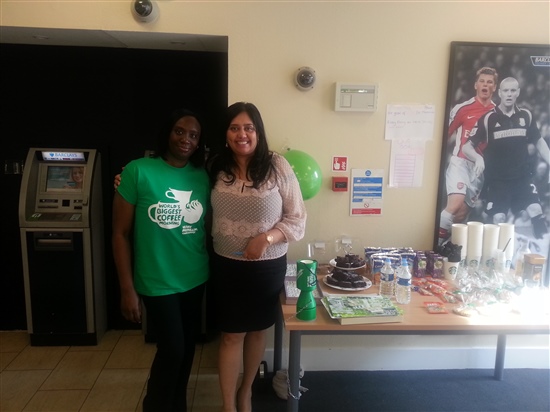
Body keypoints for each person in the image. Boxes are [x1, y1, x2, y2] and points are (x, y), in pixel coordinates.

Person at [207, 102, 306, 412]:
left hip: (266, 267)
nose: (242, 134)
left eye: (248, 127)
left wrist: (266, 238)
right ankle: (227, 404)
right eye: (234, 127)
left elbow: (297, 218)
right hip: (225, 264)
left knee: (256, 331)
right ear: (225, 134)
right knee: (230, 335)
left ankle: (246, 391)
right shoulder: (214, 166)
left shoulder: (278, 166)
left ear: (259, 133)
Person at [112, 108, 210, 412]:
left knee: (187, 348)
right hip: (156, 280)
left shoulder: (202, 176)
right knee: (173, 349)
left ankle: (177, 404)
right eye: (180, 131)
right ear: (168, 133)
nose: (186, 139)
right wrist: (127, 289)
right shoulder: (137, 171)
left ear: (198, 143)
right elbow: (119, 234)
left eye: (193, 135)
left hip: (195, 276)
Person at [463, 77, 550, 239]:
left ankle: (543, 250)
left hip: (522, 178)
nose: (509, 94)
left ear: (518, 93)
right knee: (499, 219)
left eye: (512, 90)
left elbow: (538, 141)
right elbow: (466, 146)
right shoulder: (488, 119)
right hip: (498, 181)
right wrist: (478, 158)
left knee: (536, 210)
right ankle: (495, 257)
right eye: (506, 91)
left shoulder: (526, 116)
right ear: (500, 93)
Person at [437, 67, 498, 245]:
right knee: (454, 203)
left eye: (490, 82)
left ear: (494, 87)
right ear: (475, 85)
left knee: (461, 214)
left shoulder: (498, 112)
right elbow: (445, 134)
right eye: (482, 81)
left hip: (480, 169)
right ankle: (436, 246)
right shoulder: (463, 108)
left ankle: (446, 245)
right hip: (460, 162)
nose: (485, 85)